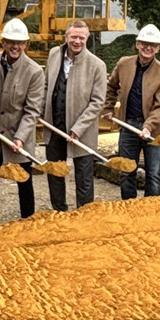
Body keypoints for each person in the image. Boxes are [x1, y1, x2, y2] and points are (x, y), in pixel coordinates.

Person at [0, 18, 45, 224]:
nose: (15, 46)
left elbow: (32, 111)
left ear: (25, 45)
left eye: (20, 43)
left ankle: (28, 222)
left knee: (24, 181)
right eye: (11, 42)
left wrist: (21, 138)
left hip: (17, 136)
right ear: (3, 42)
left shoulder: (34, 71)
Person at [103, 24, 160, 199]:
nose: (148, 47)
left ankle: (150, 212)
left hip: (154, 131)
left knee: (154, 175)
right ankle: (129, 208)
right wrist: (108, 107)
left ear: (158, 48)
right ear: (137, 44)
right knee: (126, 171)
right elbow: (111, 87)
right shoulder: (124, 64)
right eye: (144, 43)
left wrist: (148, 127)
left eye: (153, 45)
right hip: (128, 125)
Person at [42, 20, 107, 210]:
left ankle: (84, 215)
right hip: (54, 126)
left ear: (87, 38)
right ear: (66, 37)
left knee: (84, 176)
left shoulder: (97, 65)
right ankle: (59, 210)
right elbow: (46, 86)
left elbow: (97, 102)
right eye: (73, 37)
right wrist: (40, 113)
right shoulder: (54, 55)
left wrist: (78, 128)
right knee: (55, 172)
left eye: (81, 37)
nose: (77, 41)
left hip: (82, 132)